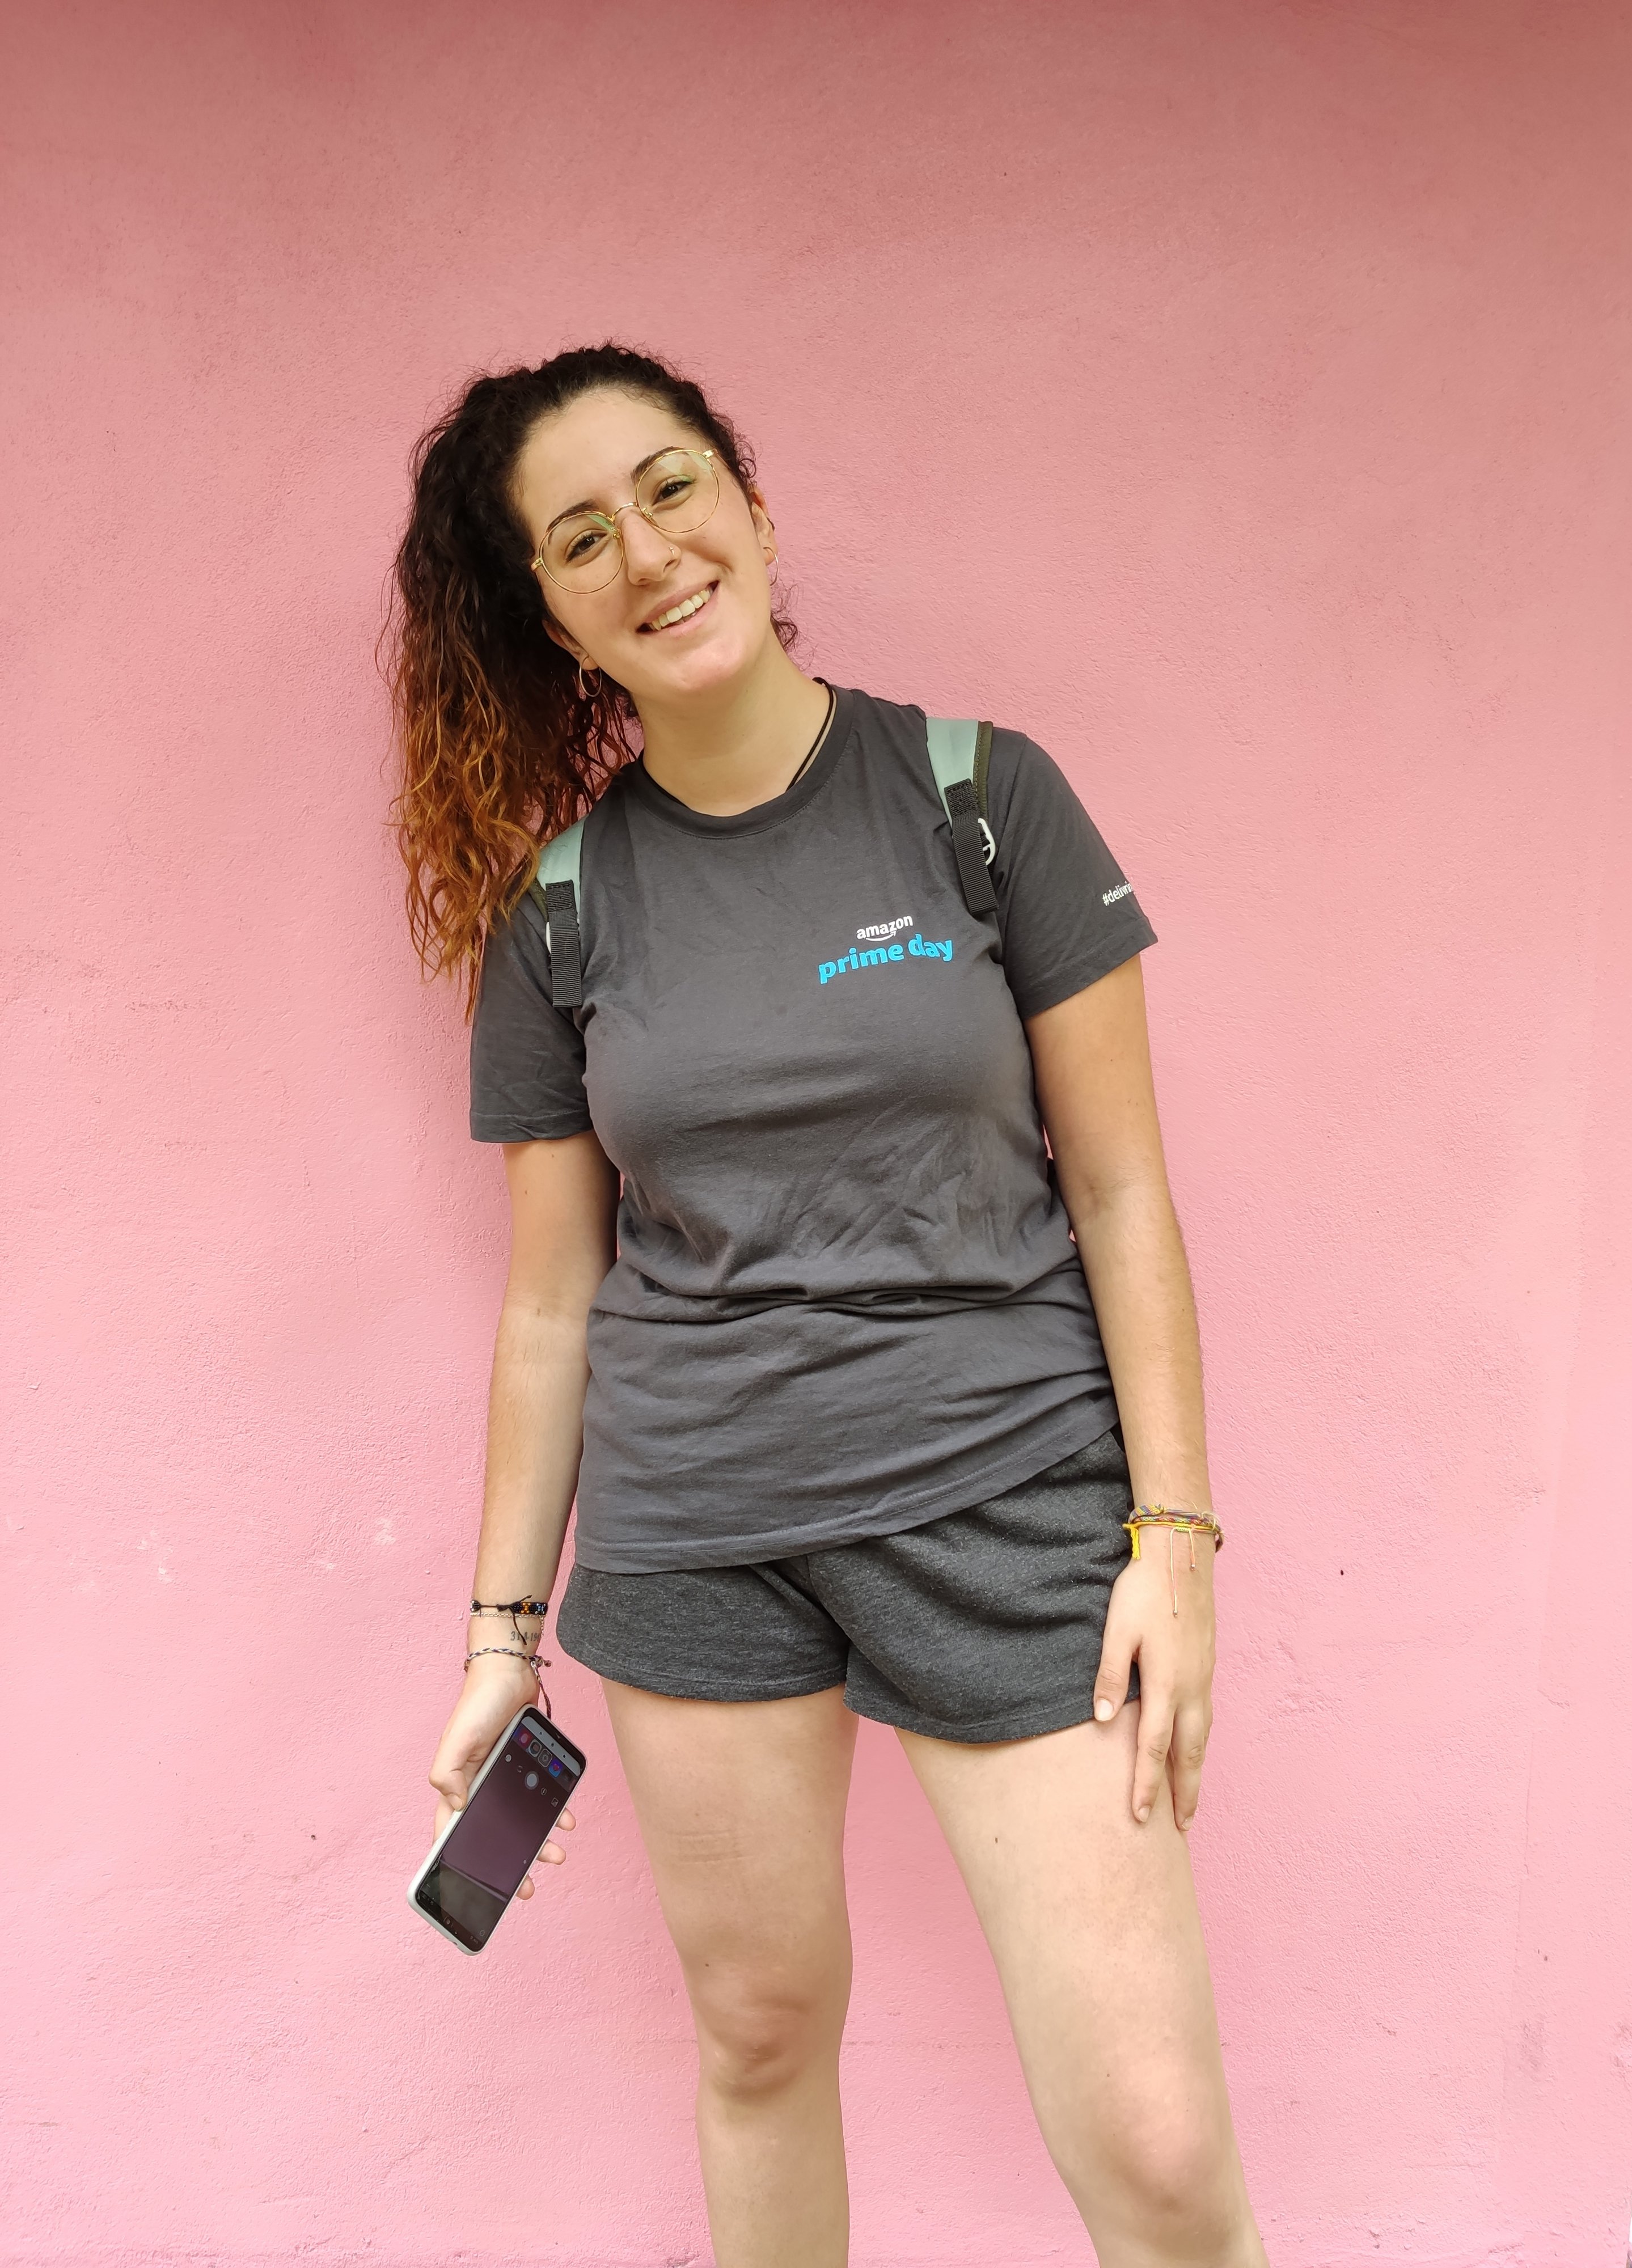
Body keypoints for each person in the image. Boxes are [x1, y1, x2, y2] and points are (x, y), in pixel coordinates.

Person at [391, 341, 1267, 2268]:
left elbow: (1123, 1190)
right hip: (698, 1537)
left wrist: (1176, 1538)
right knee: (763, 2036)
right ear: (551, 616)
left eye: (672, 488)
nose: (648, 553)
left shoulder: (979, 798)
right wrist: (500, 1639)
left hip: (1011, 1510)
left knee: (1153, 2138)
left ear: (753, 504)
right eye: (581, 538)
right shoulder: (559, 915)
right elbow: (552, 1307)